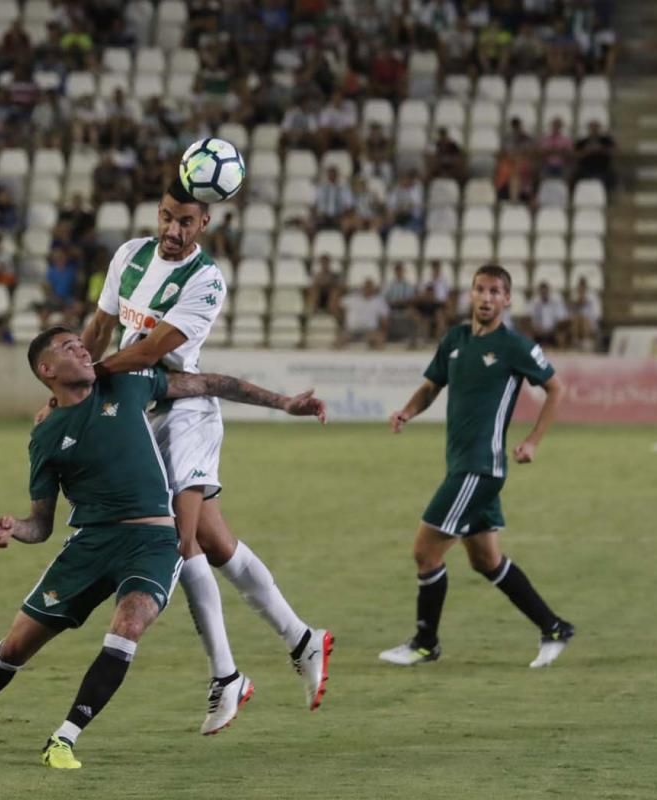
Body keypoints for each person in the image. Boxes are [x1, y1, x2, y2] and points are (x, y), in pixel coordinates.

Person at [0, 327, 326, 768]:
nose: (83, 348)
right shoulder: (46, 436)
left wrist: (284, 403)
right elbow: (41, 524)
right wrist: (14, 529)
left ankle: (64, 739)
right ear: (46, 370)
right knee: (16, 647)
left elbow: (209, 383)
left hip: (153, 542)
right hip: (90, 543)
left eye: (80, 343)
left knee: (128, 625)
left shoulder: (126, 384)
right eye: (68, 347)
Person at [72, 180, 335, 735]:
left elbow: (148, 349)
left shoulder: (207, 280)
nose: (172, 230)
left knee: (179, 539)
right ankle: (303, 638)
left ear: (205, 225)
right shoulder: (128, 256)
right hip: (144, 408)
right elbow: (99, 328)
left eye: (184, 222)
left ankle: (226, 676)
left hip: (186, 412)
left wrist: (88, 377)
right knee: (216, 544)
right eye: (166, 216)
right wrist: (72, 389)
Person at [380, 264, 574, 669]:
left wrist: (533, 442)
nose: (486, 298)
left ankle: (424, 643)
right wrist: (408, 412)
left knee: (425, 551)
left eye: (495, 291)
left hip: (480, 468)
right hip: (461, 466)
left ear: (507, 300)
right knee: (486, 560)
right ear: (470, 295)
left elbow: (556, 388)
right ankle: (554, 628)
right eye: (480, 290)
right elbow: (432, 385)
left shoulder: (515, 346)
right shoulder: (455, 340)